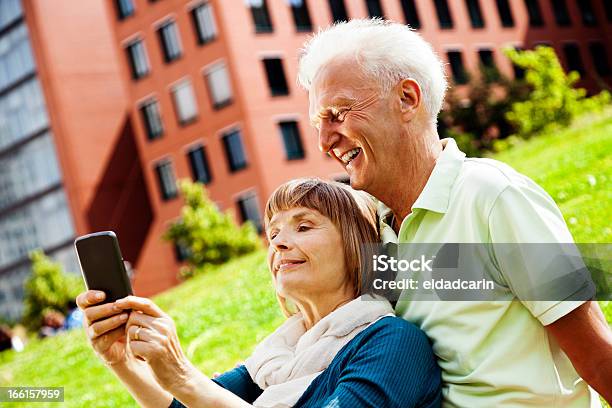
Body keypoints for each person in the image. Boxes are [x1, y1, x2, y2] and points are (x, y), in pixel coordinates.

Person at [298, 18, 612, 406]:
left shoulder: (495, 198)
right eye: (318, 122)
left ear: (407, 99)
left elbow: (600, 359)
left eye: (338, 113)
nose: (325, 141)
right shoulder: (372, 233)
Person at [77, 178, 442, 408]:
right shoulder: (275, 360)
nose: (280, 243)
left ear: (357, 246)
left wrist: (183, 376)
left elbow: (193, 392)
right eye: (273, 233)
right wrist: (123, 362)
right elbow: (186, 405)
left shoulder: (393, 343)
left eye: (303, 226)